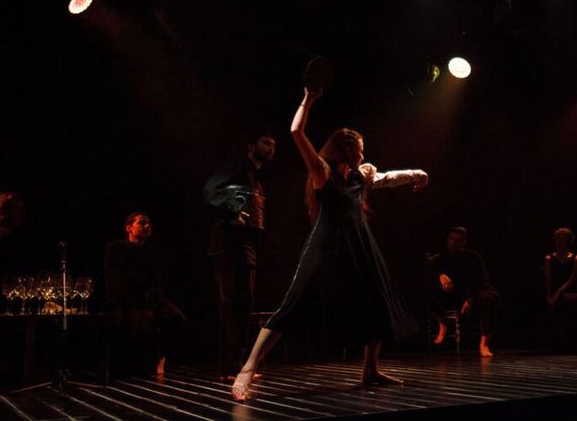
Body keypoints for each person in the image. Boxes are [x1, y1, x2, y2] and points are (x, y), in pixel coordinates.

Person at [229, 87, 429, 401]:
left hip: (360, 245)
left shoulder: (360, 176)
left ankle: (370, 370)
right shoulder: (322, 173)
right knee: (293, 305)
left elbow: (387, 178)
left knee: (378, 301)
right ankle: (248, 368)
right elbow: (296, 132)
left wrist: (417, 174)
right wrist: (308, 100)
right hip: (325, 246)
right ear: (345, 150)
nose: (362, 155)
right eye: (359, 150)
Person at [203, 130, 277, 381]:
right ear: (251, 146)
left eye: (273, 145)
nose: (271, 148)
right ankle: (227, 368)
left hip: (245, 245)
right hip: (228, 244)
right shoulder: (237, 167)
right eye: (266, 142)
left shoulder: (254, 176)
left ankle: (237, 365)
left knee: (245, 304)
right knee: (232, 305)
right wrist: (232, 212)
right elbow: (210, 190)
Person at [103, 212, 185, 376]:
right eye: (141, 223)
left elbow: (155, 280)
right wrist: (134, 302)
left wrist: (150, 303)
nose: (147, 226)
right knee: (124, 320)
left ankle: (161, 358)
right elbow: (115, 280)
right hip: (124, 298)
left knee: (176, 317)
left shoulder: (153, 251)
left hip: (149, 299)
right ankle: (121, 364)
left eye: (148, 224)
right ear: (128, 228)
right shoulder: (116, 248)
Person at [427, 226, 500, 357]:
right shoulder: (441, 258)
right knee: (427, 289)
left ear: (464, 242)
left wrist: (470, 299)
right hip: (451, 295)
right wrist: (440, 275)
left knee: (488, 298)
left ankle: (484, 343)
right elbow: (428, 271)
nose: (453, 243)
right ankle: (442, 324)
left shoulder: (473, 257)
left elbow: (481, 280)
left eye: (458, 240)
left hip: (472, 294)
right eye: (451, 239)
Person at [543, 227, 577, 355]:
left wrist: (558, 294)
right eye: (558, 239)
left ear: (569, 241)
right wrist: (549, 296)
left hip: (569, 290)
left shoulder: (576, 258)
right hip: (556, 291)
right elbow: (548, 279)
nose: (560, 242)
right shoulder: (549, 258)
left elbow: (572, 280)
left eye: (564, 240)